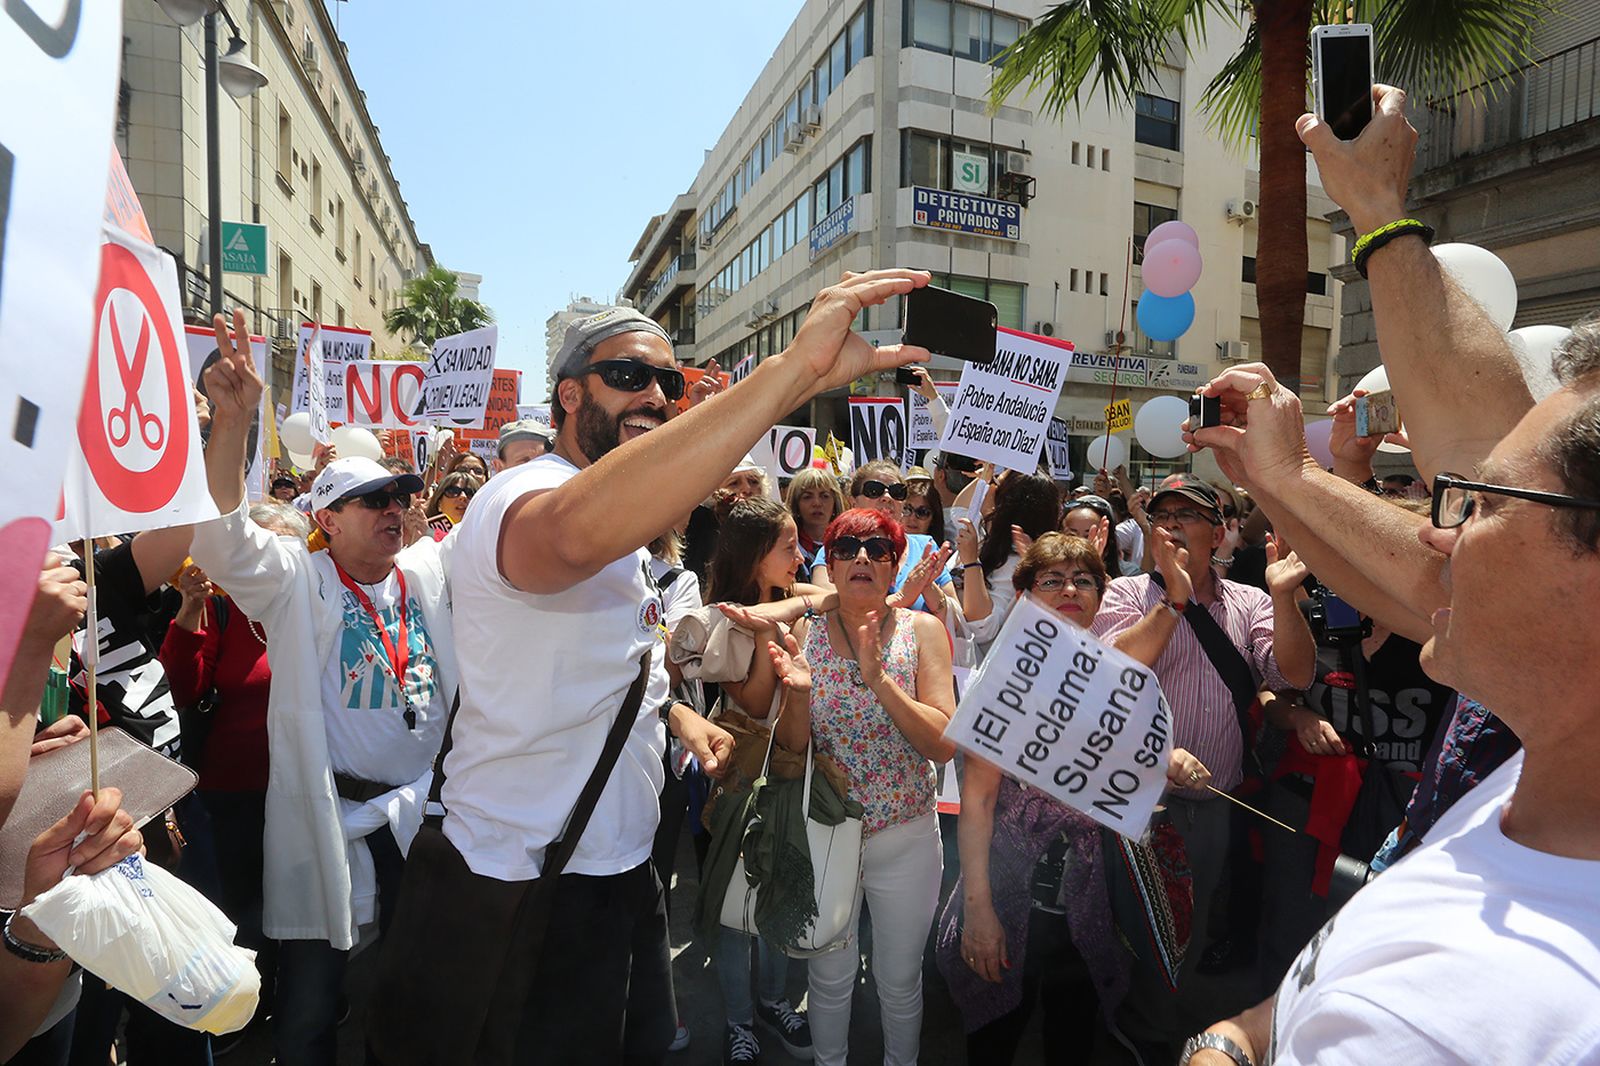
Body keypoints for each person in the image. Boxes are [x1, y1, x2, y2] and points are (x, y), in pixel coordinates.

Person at [373, 273, 933, 1064]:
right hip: (523, 880)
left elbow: (592, 669)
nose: (654, 395)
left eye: (667, 382)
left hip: (618, 873)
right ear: (567, 396)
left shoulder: (628, 536)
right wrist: (790, 375)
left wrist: (677, 713)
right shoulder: (523, 490)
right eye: (628, 375)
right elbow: (564, 540)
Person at [192, 309, 457, 1066]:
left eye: (400, 496)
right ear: (327, 518)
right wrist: (234, 424)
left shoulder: (426, 572)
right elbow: (218, 540)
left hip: (421, 821)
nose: (394, 509)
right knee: (310, 1006)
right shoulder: (296, 583)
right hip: (331, 821)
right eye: (374, 500)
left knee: (413, 996)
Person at [936, 533, 1212, 1064]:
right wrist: (978, 912)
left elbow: (1142, 645)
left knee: (1072, 1033)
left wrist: (1168, 762)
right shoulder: (1003, 683)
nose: (1069, 589)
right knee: (994, 1032)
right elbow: (978, 803)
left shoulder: (1110, 667)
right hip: (1010, 890)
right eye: (1052, 580)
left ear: (1099, 595)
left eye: (1083, 580)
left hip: (1088, 901)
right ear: (1024, 595)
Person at [1088, 471, 1314, 1052]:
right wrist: (1173, 599)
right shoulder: (1125, 594)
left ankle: (1162, 1030)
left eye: (1185, 516)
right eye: (1161, 515)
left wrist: (1285, 596)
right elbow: (1110, 671)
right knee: (1132, 929)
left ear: (1218, 535)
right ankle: (1132, 1025)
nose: (1170, 525)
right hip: (1134, 802)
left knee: (1186, 928)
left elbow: (1292, 675)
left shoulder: (1251, 601)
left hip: (1214, 805)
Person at [766, 507, 956, 1066]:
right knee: (828, 976)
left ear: (896, 565)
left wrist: (878, 679)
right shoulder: (805, 633)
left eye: (878, 548)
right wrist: (797, 696)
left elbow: (943, 744)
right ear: (830, 565)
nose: (863, 559)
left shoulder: (922, 632)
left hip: (906, 838)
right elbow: (788, 754)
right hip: (826, 836)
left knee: (899, 982)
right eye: (847, 549)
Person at [701, 495, 817, 1065]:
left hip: (797, 774)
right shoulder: (729, 619)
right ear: (754, 558)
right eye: (788, 547)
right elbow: (754, 702)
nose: (801, 557)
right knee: (734, 909)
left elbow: (836, 595)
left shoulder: (792, 602)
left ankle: (774, 1001)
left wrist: (778, 613)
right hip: (745, 777)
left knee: (781, 897)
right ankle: (738, 1020)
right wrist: (771, 632)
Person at [807, 460, 955, 616]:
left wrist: (927, 586)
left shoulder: (925, 547)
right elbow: (824, 611)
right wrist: (900, 598)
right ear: (853, 502)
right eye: (874, 490)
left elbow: (957, 621)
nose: (887, 497)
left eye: (897, 491)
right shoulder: (835, 549)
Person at [956, 468, 1061, 657]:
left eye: (996, 484)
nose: (990, 487)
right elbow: (957, 511)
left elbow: (983, 628)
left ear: (1004, 504)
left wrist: (971, 564)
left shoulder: (1015, 563)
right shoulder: (985, 542)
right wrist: (987, 472)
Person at [785, 465, 846, 564]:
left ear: (835, 502)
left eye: (825, 496)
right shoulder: (786, 545)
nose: (817, 503)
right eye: (807, 497)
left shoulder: (846, 544)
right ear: (796, 504)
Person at [1061, 492, 1121, 583]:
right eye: (1072, 536)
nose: (1080, 544)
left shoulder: (1119, 588)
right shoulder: (1045, 577)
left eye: (1089, 537)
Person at [902, 465, 946, 545]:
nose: (912, 518)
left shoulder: (942, 554)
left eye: (922, 512)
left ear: (933, 518)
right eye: (907, 509)